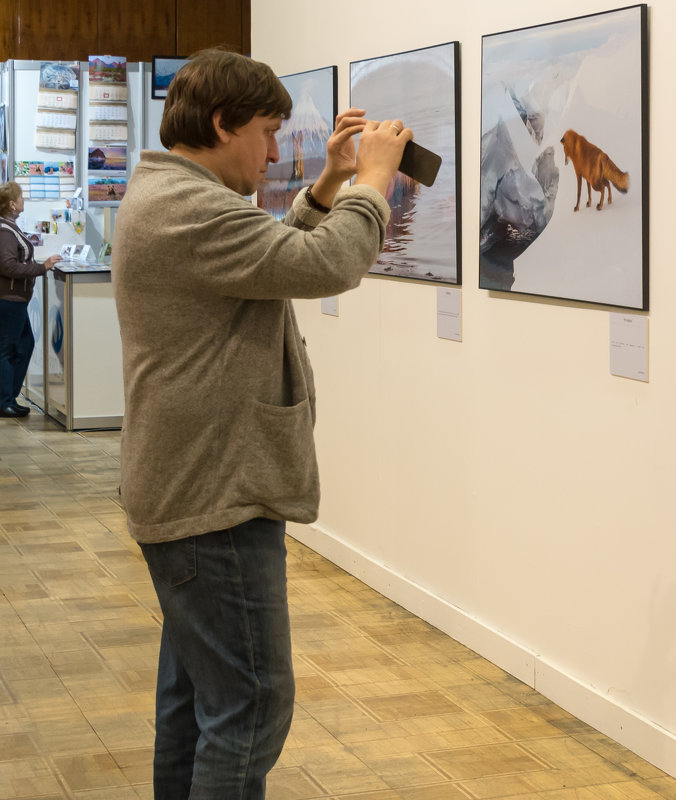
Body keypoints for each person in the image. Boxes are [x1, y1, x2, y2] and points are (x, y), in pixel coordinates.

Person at [111, 48, 411, 799]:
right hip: (213, 498)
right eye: (268, 132)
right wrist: (375, 179)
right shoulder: (187, 208)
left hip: (192, 489)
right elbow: (323, 266)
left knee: (200, 704)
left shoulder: (172, 195)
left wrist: (330, 184)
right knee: (251, 706)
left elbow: (272, 257)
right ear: (222, 123)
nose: (276, 150)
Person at [0, 182, 61, 418]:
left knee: (24, 344)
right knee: (7, 349)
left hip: (16, 299)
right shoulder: (5, 231)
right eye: (21, 197)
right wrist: (41, 268)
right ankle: (5, 401)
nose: (24, 200)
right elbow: (7, 265)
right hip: (9, 299)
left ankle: (9, 396)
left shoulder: (10, 227)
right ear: (12, 204)